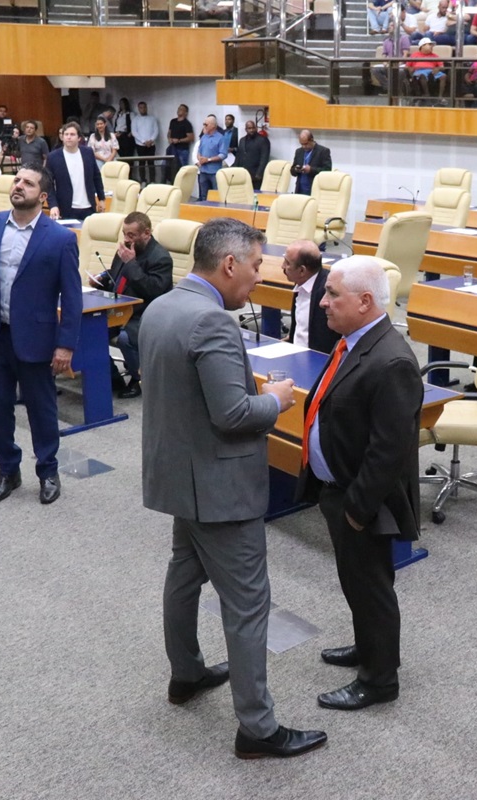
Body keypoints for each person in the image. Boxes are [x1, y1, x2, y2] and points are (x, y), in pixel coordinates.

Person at [138, 216, 327, 760]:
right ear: (227, 264)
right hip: (219, 485)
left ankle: (187, 674)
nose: (257, 278)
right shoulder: (213, 323)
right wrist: (281, 400)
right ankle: (258, 728)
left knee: (183, 577)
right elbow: (235, 413)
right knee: (248, 605)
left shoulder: (163, 306)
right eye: (253, 266)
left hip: (179, 473)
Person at [294, 255, 423, 712]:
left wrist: (356, 508)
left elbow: (388, 452)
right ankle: (369, 648)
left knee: (371, 588)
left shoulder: (392, 362)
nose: (323, 302)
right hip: (340, 490)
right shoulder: (353, 341)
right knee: (357, 582)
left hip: (362, 500)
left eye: (332, 294)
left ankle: (379, 680)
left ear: (365, 301)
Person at [0, 166, 81, 505]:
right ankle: (8, 469)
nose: (19, 186)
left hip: (37, 338)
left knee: (41, 409)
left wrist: (65, 344)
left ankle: (48, 471)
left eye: (28, 183)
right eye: (17, 180)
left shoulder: (61, 238)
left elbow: (72, 297)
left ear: (43, 195)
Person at [90, 211, 172, 399]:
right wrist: (101, 280)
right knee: (90, 331)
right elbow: (116, 277)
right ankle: (112, 378)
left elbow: (153, 291)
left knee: (126, 338)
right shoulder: (126, 251)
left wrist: (131, 262)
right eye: (125, 234)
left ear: (147, 233)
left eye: (132, 235)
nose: (127, 239)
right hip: (118, 309)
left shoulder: (161, 258)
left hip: (143, 313)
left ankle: (138, 379)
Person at [282, 239, 341, 353]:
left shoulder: (328, 293)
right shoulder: (302, 283)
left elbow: (327, 343)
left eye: (287, 263)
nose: (282, 266)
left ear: (302, 270)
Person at [45, 122, 105, 221]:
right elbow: (48, 184)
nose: (69, 137)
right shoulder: (53, 157)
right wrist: (53, 205)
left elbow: (96, 177)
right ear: (62, 137)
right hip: (66, 208)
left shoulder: (88, 152)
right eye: (66, 134)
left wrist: (101, 198)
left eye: (72, 134)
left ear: (79, 138)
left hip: (89, 206)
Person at [373, 16, 413, 93]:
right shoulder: (386, 40)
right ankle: (389, 88)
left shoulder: (404, 38)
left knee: (400, 71)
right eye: (389, 26)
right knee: (375, 69)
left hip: (401, 64)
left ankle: (394, 89)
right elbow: (385, 55)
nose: (389, 27)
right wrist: (385, 63)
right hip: (390, 63)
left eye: (391, 26)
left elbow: (405, 54)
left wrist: (398, 63)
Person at [195, 114, 229, 201]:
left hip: (214, 172)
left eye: (206, 124)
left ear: (213, 125)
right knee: (203, 196)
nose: (204, 126)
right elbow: (199, 151)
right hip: (203, 171)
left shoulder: (221, 138)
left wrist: (209, 160)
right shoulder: (203, 137)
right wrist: (199, 158)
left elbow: (223, 154)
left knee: (215, 196)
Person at [290, 130, 332, 195]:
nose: (304, 146)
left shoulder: (323, 151)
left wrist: (311, 170)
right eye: (302, 144)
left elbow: (328, 170)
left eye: (306, 144)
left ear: (311, 140)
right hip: (300, 190)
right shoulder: (299, 151)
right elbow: (292, 170)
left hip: (314, 190)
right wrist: (296, 169)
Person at [235, 119, 271, 190]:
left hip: (256, 175)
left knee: (255, 197)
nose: (251, 130)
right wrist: (235, 170)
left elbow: (264, 158)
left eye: (253, 128)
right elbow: (238, 156)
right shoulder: (242, 140)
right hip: (243, 174)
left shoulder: (263, 140)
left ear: (256, 128)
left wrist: (259, 173)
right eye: (249, 128)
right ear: (246, 129)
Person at [133, 101, 160, 184]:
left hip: (151, 145)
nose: (143, 109)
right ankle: (143, 180)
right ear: (138, 109)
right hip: (140, 145)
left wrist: (151, 140)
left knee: (151, 163)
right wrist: (144, 141)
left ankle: (152, 180)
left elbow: (156, 130)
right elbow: (134, 132)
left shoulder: (152, 118)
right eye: (141, 107)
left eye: (144, 107)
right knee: (142, 163)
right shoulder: (135, 120)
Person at [167, 104, 195, 172]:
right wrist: (169, 139)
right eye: (178, 108)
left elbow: (191, 138)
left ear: (186, 113)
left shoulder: (187, 124)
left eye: (181, 109)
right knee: (169, 166)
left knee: (183, 169)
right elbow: (169, 133)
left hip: (182, 150)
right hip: (172, 148)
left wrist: (179, 141)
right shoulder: (173, 121)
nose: (179, 110)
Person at [113, 97, 135, 162]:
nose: (121, 105)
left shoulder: (130, 114)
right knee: (120, 154)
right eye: (120, 104)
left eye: (122, 103)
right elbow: (117, 125)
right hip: (118, 135)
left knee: (128, 155)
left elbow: (134, 125)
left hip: (126, 136)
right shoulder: (118, 114)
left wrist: (131, 132)